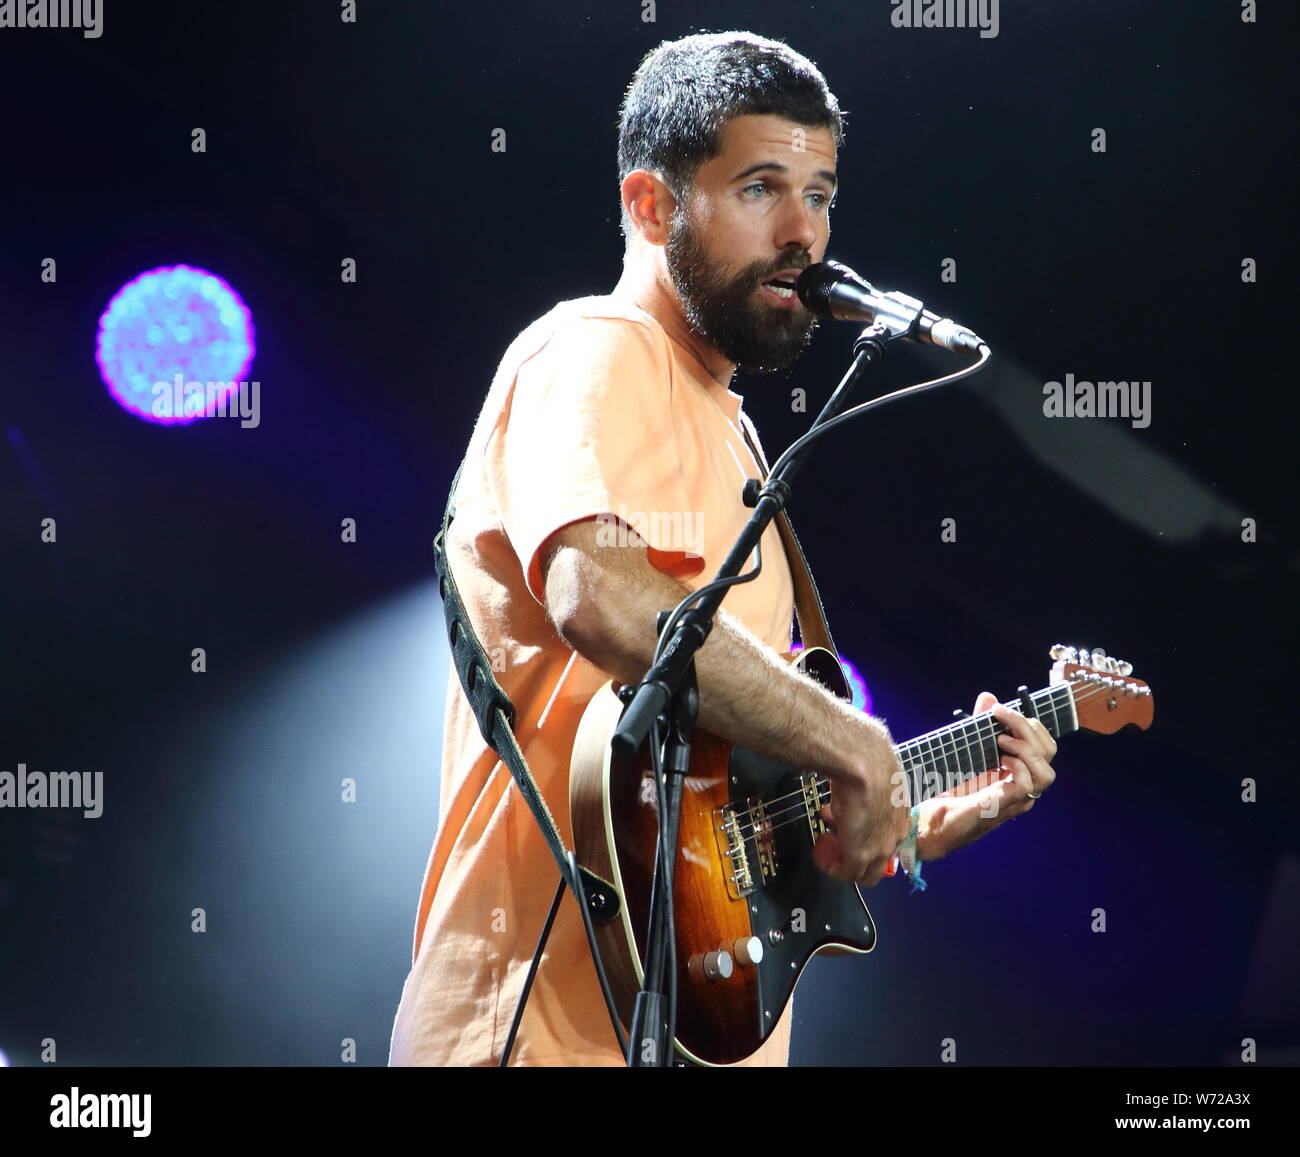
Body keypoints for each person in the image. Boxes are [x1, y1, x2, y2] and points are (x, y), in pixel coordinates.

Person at [388, 30, 1057, 1068]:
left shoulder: (739, 432)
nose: (805, 232)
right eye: (760, 187)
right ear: (651, 205)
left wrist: (909, 820)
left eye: (822, 194)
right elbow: (599, 595)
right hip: (534, 1032)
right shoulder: (596, 346)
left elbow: (720, 823)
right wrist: (853, 743)